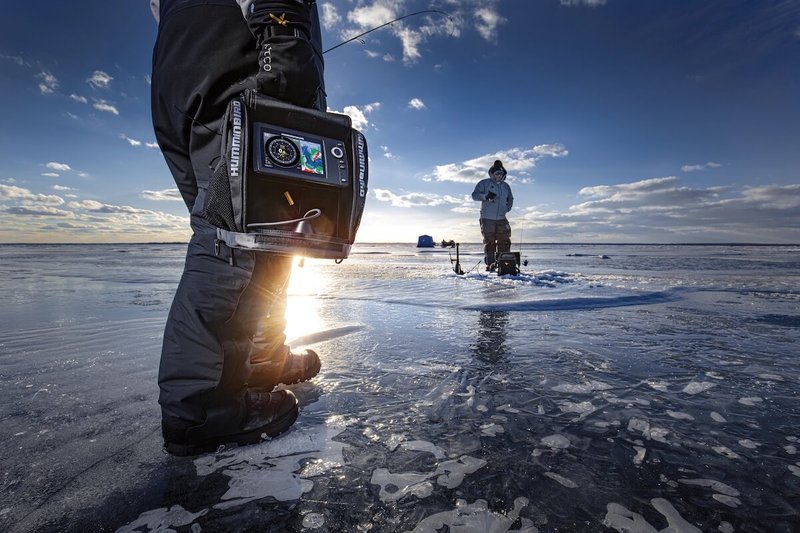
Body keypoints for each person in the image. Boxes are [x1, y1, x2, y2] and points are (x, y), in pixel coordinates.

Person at [149, 0, 325, 456]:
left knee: (269, 225)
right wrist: (282, 35)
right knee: (238, 227)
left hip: (184, 50)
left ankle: (261, 361)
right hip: (254, 39)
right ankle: (202, 405)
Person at [471, 160, 514, 270]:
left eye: (500, 174)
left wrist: (507, 209)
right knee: (490, 242)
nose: (498, 176)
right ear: (492, 173)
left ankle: (503, 263)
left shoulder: (506, 186)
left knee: (504, 241)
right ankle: (490, 264)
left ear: (503, 174)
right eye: (496, 174)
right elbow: (474, 195)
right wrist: (486, 196)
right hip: (487, 218)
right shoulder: (484, 183)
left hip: (501, 218)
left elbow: (510, 199)